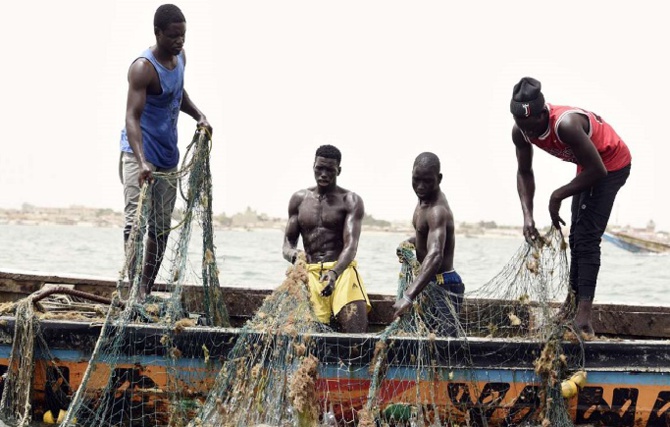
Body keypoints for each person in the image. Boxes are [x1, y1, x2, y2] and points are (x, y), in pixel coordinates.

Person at [509, 77, 631, 336]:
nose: (528, 134)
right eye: (523, 128)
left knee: (586, 238)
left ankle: (583, 319)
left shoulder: (566, 125)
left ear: (543, 113)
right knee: (575, 237)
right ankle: (570, 306)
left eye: (531, 127)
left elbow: (599, 170)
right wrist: (527, 216)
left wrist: (557, 195)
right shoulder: (520, 131)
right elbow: (524, 172)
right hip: (588, 166)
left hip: (611, 164)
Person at [119, 4, 212, 302]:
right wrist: (143, 160)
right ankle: (132, 287)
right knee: (136, 222)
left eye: (183, 35)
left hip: (167, 157)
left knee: (160, 227)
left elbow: (177, 93)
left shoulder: (181, 57)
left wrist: (198, 114)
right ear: (158, 33)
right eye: (173, 36)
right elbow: (131, 117)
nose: (180, 41)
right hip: (138, 155)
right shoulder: (142, 68)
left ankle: (145, 287)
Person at [282, 145, 371, 333]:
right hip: (310, 273)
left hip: (342, 272)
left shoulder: (351, 200)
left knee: (357, 336)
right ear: (313, 166)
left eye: (329, 170)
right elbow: (288, 244)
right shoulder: (298, 199)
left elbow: (351, 246)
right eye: (319, 169)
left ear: (338, 170)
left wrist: (334, 273)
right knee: (305, 338)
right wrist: (295, 255)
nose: (323, 174)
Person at [392, 152, 465, 337]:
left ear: (439, 179)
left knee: (443, 347)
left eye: (427, 181)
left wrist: (408, 296)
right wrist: (410, 243)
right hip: (428, 282)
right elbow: (426, 237)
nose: (421, 186)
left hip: (444, 286)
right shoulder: (422, 202)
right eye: (416, 180)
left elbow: (435, 255)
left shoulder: (437, 210)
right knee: (425, 339)